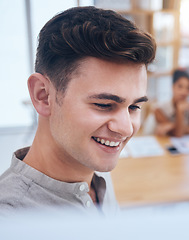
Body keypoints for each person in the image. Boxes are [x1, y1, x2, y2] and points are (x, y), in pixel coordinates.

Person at [0, 7, 156, 216]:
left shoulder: (94, 166)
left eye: (134, 107)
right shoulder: (11, 220)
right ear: (43, 96)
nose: (126, 129)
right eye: (104, 105)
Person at [154, 69, 189, 137]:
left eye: (188, 88)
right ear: (172, 87)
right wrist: (179, 111)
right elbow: (178, 133)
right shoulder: (159, 109)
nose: (184, 92)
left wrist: (173, 126)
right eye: (180, 86)